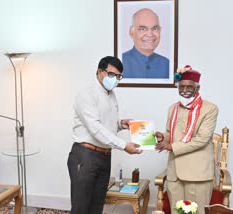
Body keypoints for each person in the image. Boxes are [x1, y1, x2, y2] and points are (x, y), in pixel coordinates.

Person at [67, 56, 142, 214]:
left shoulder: (111, 94)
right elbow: (95, 128)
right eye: (111, 75)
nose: (115, 79)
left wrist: (120, 124)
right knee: (81, 208)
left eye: (118, 76)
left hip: (104, 156)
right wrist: (124, 145)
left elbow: (105, 124)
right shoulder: (87, 94)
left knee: (97, 207)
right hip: (85, 156)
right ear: (100, 71)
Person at [154, 65, 218, 214]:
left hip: (198, 174)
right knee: (177, 212)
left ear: (198, 88)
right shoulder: (173, 108)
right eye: (181, 86)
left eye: (189, 87)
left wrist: (171, 147)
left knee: (197, 213)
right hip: (174, 173)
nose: (184, 90)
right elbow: (171, 133)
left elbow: (201, 139)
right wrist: (163, 137)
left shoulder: (210, 109)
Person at [122, 8, 169, 79]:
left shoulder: (167, 64)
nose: (150, 35)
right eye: (142, 29)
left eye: (155, 28)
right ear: (131, 32)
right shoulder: (121, 62)